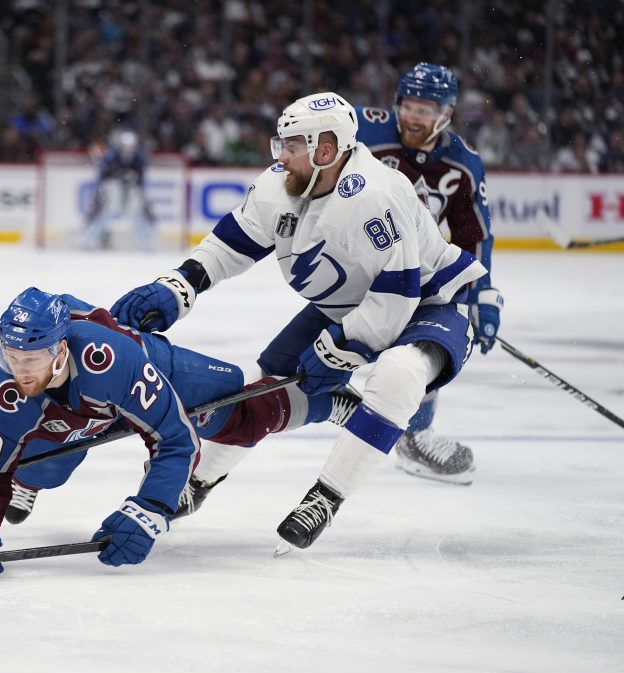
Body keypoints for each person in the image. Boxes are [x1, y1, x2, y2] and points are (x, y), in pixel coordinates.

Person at [110, 92, 487, 554]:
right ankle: (201, 480)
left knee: (398, 376)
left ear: (325, 150)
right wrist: (180, 285)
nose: (279, 156)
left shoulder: (374, 195)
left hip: (430, 301)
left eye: (290, 145)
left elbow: (397, 296)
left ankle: (325, 498)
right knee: (261, 387)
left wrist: (341, 347)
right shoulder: (283, 183)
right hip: (349, 302)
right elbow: (232, 243)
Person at [0, 286, 361, 576]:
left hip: (142, 371)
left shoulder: (108, 358)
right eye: (11, 356)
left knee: (241, 413)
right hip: (80, 408)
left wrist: (150, 509)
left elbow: (175, 439)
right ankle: (32, 479)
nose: (18, 370)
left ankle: (329, 402)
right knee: (39, 460)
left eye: (32, 359)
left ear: (59, 350)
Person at [355, 63, 503, 484]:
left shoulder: (463, 164)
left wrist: (481, 293)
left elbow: (474, 237)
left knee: (433, 331)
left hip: (405, 270)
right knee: (320, 357)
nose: (413, 116)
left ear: (447, 113)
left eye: (426, 108)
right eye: (409, 104)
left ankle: (414, 434)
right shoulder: (362, 129)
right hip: (345, 262)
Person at [82, 129, 157, 251]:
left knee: (136, 212)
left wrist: (140, 191)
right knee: (107, 211)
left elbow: (141, 178)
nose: (128, 150)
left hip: (132, 187)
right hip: (112, 186)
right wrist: (101, 191)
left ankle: (146, 243)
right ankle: (89, 240)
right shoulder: (112, 156)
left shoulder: (139, 157)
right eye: (126, 148)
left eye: (131, 147)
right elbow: (102, 175)